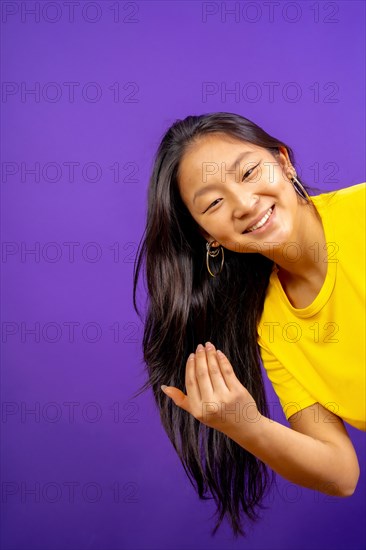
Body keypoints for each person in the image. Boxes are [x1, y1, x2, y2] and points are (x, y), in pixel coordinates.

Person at [132, 112, 365, 538]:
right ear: (209, 236)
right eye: (213, 203)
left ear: (283, 162)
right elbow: (341, 473)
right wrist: (245, 423)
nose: (243, 203)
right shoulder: (272, 326)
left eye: (249, 171)